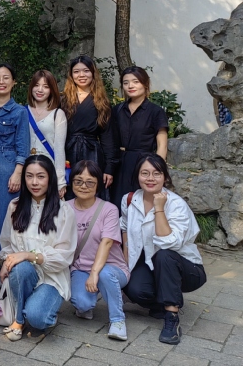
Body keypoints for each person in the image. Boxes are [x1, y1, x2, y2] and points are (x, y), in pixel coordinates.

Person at [121, 153, 206, 345]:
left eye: (156, 173)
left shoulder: (176, 204)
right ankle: (161, 302)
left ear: (165, 177)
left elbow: (170, 243)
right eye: (145, 173)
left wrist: (159, 208)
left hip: (188, 269)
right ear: (137, 176)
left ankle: (172, 317)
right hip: (153, 265)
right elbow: (124, 227)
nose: (150, 178)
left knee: (165, 255)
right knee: (133, 288)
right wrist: (126, 263)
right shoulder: (130, 199)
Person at [0, 155, 77, 341]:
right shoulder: (15, 206)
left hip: (51, 277)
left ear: (50, 178)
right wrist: (6, 262)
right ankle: (19, 320)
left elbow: (64, 256)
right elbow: (7, 242)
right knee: (22, 268)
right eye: (29, 176)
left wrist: (29, 255)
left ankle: (38, 309)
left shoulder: (64, 211)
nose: (34, 182)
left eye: (41, 176)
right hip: (22, 275)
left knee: (37, 319)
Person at [67, 160, 130, 341]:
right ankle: (89, 300)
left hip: (112, 268)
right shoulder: (65, 208)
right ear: (72, 182)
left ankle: (118, 320)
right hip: (81, 268)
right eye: (78, 181)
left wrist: (94, 273)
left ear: (98, 185)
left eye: (90, 182)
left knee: (104, 274)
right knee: (83, 305)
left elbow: (107, 242)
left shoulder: (109, 209)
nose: (83, 186)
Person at [0, 64, 30, 261]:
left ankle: (6, 261)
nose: (1, 82)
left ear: (14, 82)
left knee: (5, 214)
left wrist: (18, 173)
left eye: (6, 77)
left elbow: (23, 145)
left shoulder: (19, 112)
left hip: (7, 168)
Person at [110, 66, 168, 207]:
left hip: (144, 163)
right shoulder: (117, 110)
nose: (130, 86)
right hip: (120, 164)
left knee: (143, 204)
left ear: (145, 83)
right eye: (126, 83)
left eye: (135, 81)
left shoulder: (156, 111)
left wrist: (156, 170)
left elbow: (162, 145)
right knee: (118, 204)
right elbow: (111, 140)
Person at [61, 56, 118, 198]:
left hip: (92, 154)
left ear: (93, 73)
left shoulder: (101, 102)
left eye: (86, 71)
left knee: (91, 192)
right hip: (67, 153)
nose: (81, 75)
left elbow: (107, 137)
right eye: (76, 71)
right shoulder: (63, 100)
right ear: (71, 75)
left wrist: (109, 168)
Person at [27, 70, 67, 198]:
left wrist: (60, 181)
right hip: (27, 169)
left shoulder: (58, 114)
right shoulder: (22, 111)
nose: (40, 90)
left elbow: (59, 149)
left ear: (51, 90)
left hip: (48, 168)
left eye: (45, 86)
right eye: (36, 85)